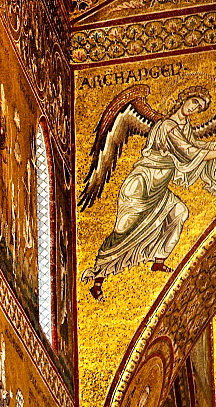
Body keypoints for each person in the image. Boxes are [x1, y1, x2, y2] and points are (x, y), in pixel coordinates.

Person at [83, 86, 216, 301]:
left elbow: (194, 146)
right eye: (193, 102)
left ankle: (159, 260)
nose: (193, 108)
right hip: (142, 182)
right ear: (183, 98)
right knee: (122, 229)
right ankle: (98, 279)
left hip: (160, 187)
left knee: (179, 212)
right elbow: (189, 152)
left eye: (199, 107)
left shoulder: (185, 128)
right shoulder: (166, 125)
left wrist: (210, 147)